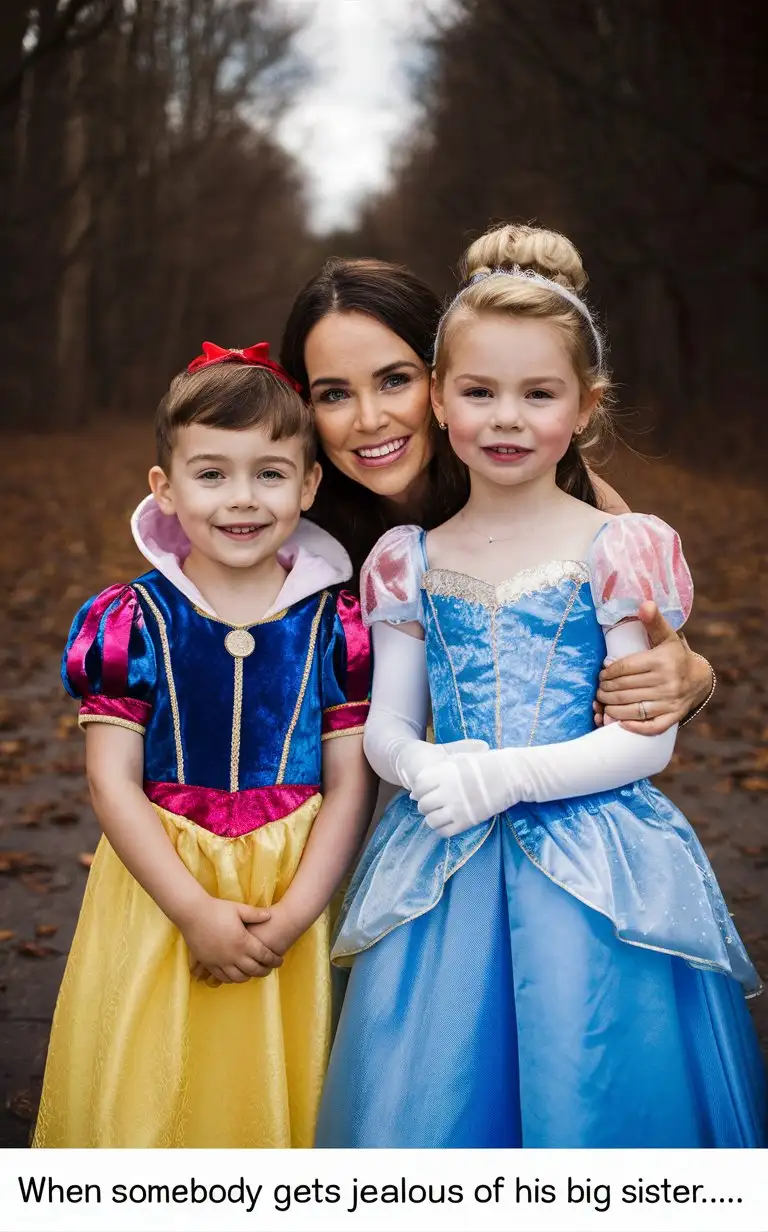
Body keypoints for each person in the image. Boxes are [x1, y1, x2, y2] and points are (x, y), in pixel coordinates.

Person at [314, 224, 766, 1148]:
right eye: (479, 392)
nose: (506, 418)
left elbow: (649, 729)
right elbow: (389, 721)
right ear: (444, 401)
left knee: (589, 1068)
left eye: (538, 395)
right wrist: (422, 763)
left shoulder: (615, 541)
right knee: (436, 1087)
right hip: (442, 848)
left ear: (586, 407)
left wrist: (506, 777)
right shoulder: (405, 559)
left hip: (594, 856)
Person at [32, 342, 374, 1148]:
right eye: (211, 474)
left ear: (309, 484)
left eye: (269, 473)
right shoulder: (131, 621)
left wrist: (294, 916)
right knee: (149, 1081)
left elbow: (349, 785)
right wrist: (191, 909)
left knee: (271, 1092)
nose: (241, 499)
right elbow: (111, 781)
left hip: (290, 881)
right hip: (163, 886)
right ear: (166, 487)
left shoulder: (336, 623)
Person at [280, 256, 716, 736]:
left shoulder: (569, 494)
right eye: (334, 395)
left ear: (442, 379)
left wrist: (695, 675)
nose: (369, 420)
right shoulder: (291, 529)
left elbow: (651, 659)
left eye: (395, 380)